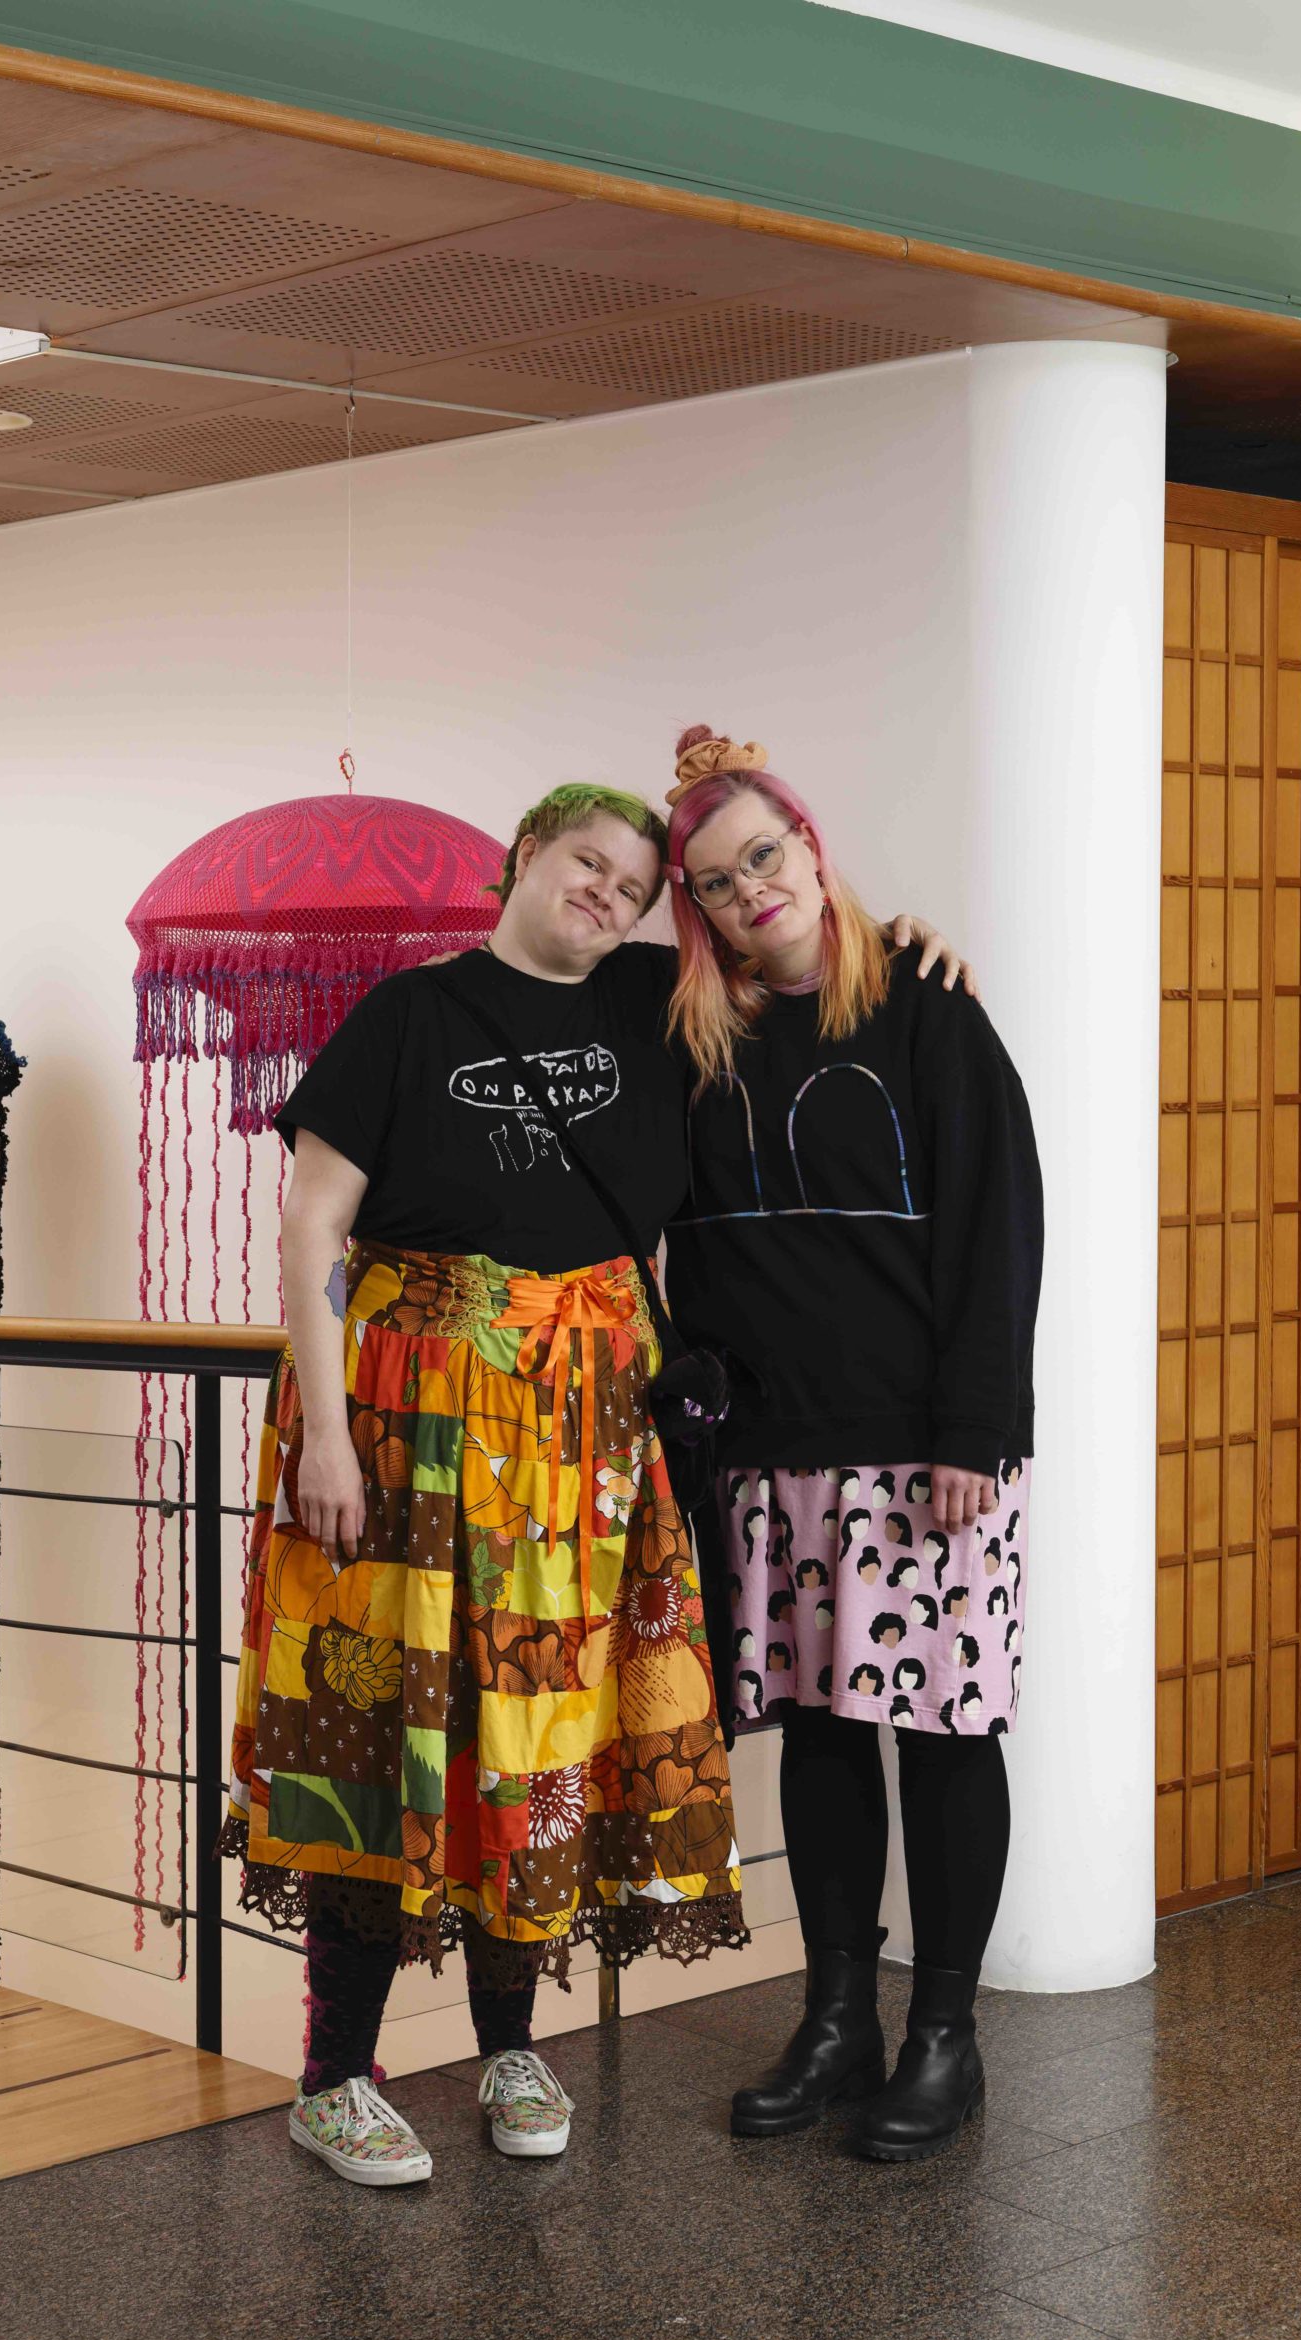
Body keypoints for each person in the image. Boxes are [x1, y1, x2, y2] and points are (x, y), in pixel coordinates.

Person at [219, 775, 969, 2187]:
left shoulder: (657, 1004)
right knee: (384, 1731)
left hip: (584, 1439)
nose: (609, 897)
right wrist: (324, 1434)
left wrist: (914, 941)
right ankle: (335, 2073)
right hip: (406, 1420)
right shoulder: (409, 1018)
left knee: (544, 1735)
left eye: (634, 886)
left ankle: (510, 2038)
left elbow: (806, 959)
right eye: (586, 864)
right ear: (525, 854)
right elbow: (314, 1219)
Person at [661, 726, 1043, 2164]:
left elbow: (1001, 1230)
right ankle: (839, 2018)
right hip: (769, 1450)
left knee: (946, 1734)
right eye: (712, 880)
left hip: (923, 1450)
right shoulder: (690, 1035)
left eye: (764, 854)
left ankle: (944, 2033)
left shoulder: (931, 1015)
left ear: (812, 847)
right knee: (819, 1737)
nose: (748, 888)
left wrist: (978, 1432)